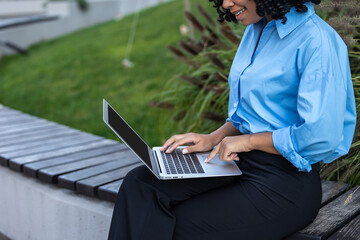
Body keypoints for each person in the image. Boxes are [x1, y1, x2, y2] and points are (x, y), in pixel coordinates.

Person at [108, 0, 357, 239]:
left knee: (176, 225)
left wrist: (247, 142)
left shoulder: (316, 41)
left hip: (285, 181)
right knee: (139, 184)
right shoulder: (256, 28)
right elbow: (253, 115)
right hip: (238, 161)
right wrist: (214, 137)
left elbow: (321, 135)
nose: (226, 3)